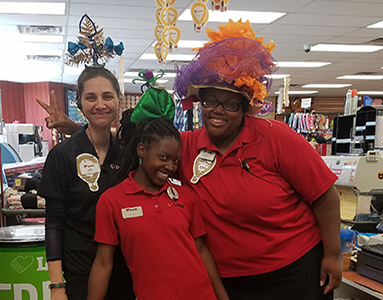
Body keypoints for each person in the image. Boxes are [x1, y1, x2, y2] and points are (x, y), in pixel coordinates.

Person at [38, 19, 342, 300]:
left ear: (245, 107)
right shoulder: (186, 146)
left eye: (230, 105)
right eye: (210, 101)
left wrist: (333, 254)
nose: (217, 111)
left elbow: (324, 194)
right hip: (230, 279)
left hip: (292, 270)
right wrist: (79, 130)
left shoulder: (276, 137)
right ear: (199, 102)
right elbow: (142, 146)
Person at [87, 76, 229, 300]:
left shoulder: (184, 195)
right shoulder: (113, 200)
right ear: (141, 150)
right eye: (163, 157)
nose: (170, 167)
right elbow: (103, 263)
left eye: (175, 160)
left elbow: (201, 250)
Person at [37, 66, 134, 300]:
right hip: (80, 269)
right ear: (80, 104)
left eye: (107, 96)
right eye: (91, 97)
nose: (100, 104)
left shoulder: (127, 155)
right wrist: (56, 286)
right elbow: (54, 224)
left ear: (119, 101)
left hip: (123, 269)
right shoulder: (63, 155)